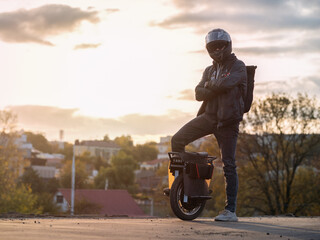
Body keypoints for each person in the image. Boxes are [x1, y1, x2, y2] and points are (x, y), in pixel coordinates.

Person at [171, 28, 247, 222]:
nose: (217, 49)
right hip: (209, 117)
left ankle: (230, 211)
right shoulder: (209, 70)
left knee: (229, 164)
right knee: (177, 140)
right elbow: (198, 94)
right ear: (208, 49)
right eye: (213, 47)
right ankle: (186, 183)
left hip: (228, 122)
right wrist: (215, 85)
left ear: (228, 46)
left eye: (221, 46)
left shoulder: (238, 66)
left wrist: (211, 86)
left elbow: (228, 83)